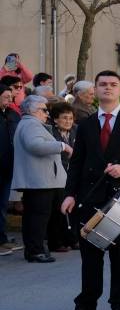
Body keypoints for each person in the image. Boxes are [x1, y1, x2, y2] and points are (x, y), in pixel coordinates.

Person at [60, 70, 120, 310]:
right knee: (90, 256)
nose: (108, 88)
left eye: (113, 84)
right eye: (102, 84)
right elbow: (76, 163)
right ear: (96, 90)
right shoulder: (87, 124)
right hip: (90, 197)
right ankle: (87, 305)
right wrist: (69, 195)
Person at [12, 95, 70, 262]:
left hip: (41, 180)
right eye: (44, 110)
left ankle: (39, 248)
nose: (47, 114)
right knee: (37, 218)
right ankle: (35, 251)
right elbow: (35, 145)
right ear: (32, 110)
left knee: (39, 217)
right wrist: (62, 145)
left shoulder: (31, 124)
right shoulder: (31, 124)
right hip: (38, 180)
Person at [46, 101, 78, 252]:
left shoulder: (76, 131)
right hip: (56, 173)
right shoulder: (50, 132)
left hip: (73, 173)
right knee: (58, 209)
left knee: (73, 208)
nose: (68, 121)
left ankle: (72, 238)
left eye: (71, 118)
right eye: (64, 118)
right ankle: (57, 241)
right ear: (55, 119)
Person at [0, 85, 19, 256]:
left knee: (2, 205)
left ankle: (2, 238)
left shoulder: (9, 115)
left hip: (7, 168)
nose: (10, 100)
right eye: (6, 96)